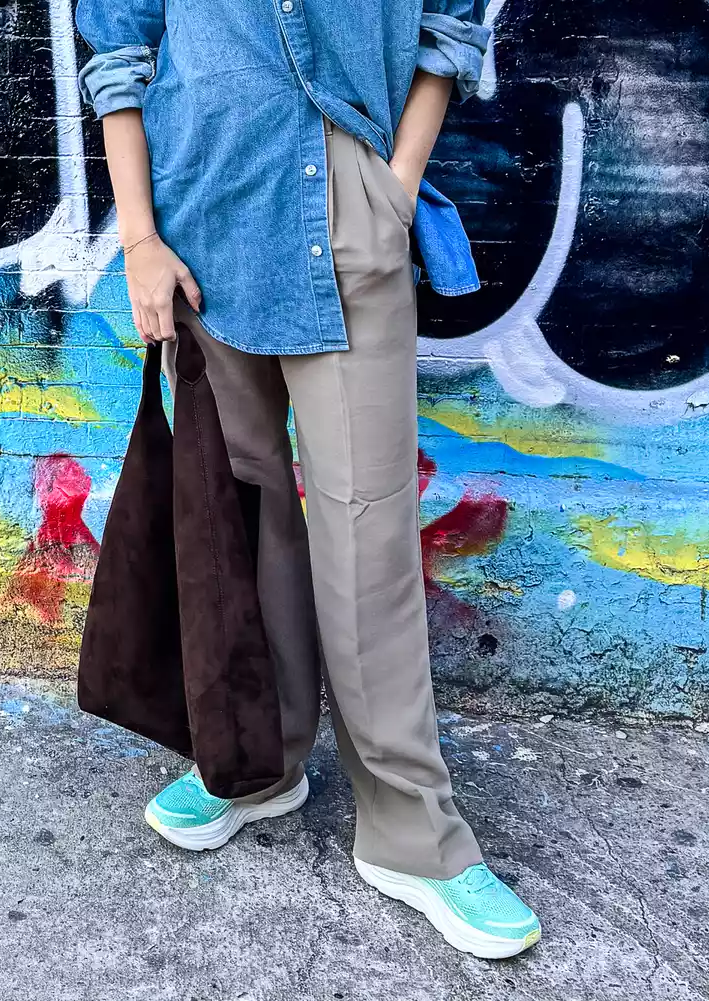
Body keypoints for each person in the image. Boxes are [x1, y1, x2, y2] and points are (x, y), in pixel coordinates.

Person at [74, 0, 541, 959]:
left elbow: (450, 26)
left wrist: (392, 190)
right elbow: (121, 49)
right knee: (244, 511)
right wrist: (141, 241)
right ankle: (258, 760)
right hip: (199, 226)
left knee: (367, 532)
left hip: (348, 221)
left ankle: (415, 835)